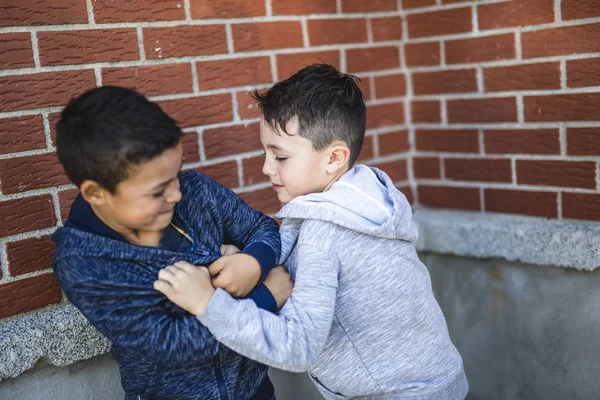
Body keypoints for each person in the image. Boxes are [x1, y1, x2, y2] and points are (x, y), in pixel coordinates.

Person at [155, 64, 469, 400]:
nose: (266, 167)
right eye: (266, 152)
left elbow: (298, 346)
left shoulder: (325, 231)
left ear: (334, 157)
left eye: (281, 156)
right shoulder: (367, 198)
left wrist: (208, 304)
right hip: (435, 380)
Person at [52, 86, 292, 400]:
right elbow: (172, 345)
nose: (177, 194)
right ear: (97, 194)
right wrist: (264, 296)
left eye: (176, 174)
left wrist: (254, 262)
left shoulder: (196, 192)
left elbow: (261, 228)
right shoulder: (84, 263)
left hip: (255, 388)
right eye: (157, 190)